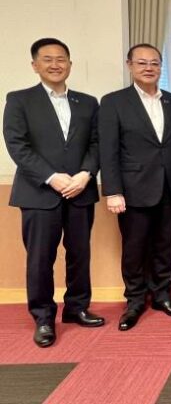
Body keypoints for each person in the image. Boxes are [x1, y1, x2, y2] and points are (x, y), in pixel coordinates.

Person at [3, 38, 104, 347]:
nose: (55, 64)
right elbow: (17, 145)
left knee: (79, 253)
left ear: (70, 64)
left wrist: (86, 174)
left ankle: (77, 308)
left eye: (61, 59)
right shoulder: (19, 100)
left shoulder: (88, 102)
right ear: (35, 65)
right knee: (40, 258)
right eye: (47, 59)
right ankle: (43, 317)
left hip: (80, 190)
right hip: (39, 193)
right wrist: (51, 177)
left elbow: (97, 143)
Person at [99, 43, 171, 331]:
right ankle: (135, 300)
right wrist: (113, 191)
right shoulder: (114, 102)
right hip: (132, 189)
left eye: (154, 63)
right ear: (130, 66)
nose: (149, 68)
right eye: (142, 63)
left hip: (169, 187)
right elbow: (108, 150)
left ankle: (162, 295)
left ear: (161, 66)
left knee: (164, 245)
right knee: (134, 248)